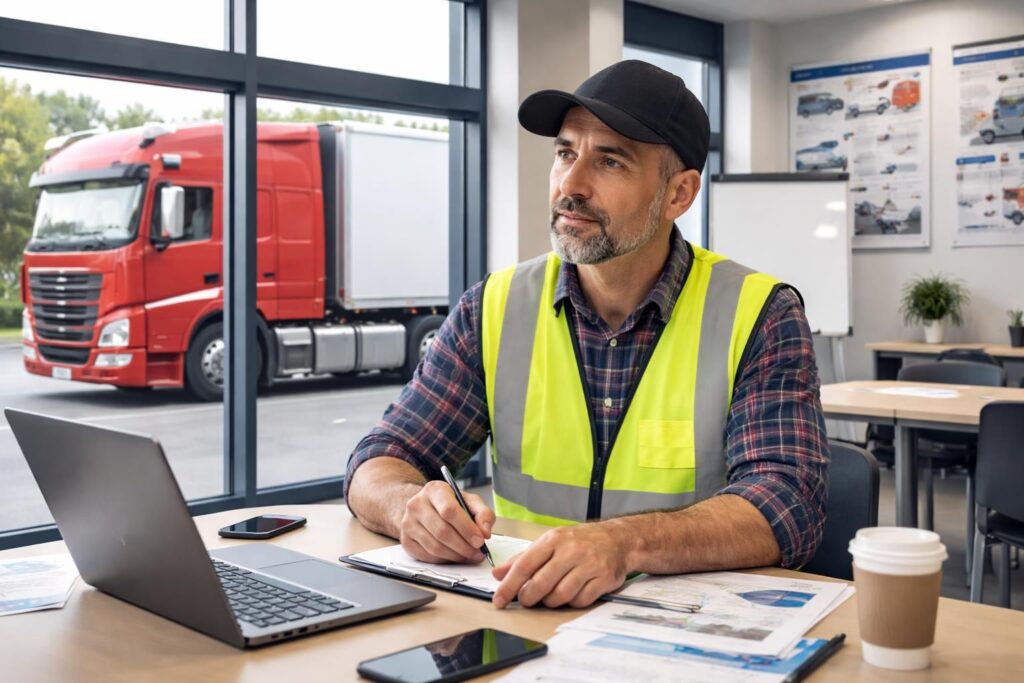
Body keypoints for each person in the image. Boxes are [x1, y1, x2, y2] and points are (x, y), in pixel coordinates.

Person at [345, 60, 829, 610]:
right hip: (523, 619)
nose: (570, 185)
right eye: (565, 153)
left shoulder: (760, 313)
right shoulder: (495, 306)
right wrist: (411, 506)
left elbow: (787, 504)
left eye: (610, 161)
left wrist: (624, 544)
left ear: (678, 195)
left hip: (682, 631)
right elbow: (380, 458)